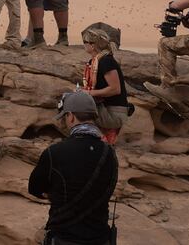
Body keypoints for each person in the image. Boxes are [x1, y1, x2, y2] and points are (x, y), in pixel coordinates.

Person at [29, 91, 118, 245]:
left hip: (64, 238)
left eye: (65, 117)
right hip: (99, 239)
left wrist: (57, 195)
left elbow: (34, 189)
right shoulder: (109, 153)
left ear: (70, 116)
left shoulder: (54, 152)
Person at [80, 27, 130, 145]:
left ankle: (96, 140)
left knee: (76, 105)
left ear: (92, 45)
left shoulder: (106, 61)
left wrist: (89, 93)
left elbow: (115, 89)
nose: (83, 45)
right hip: (104, 108)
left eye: (85, 42)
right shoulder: (95, 62)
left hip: (113, 112)